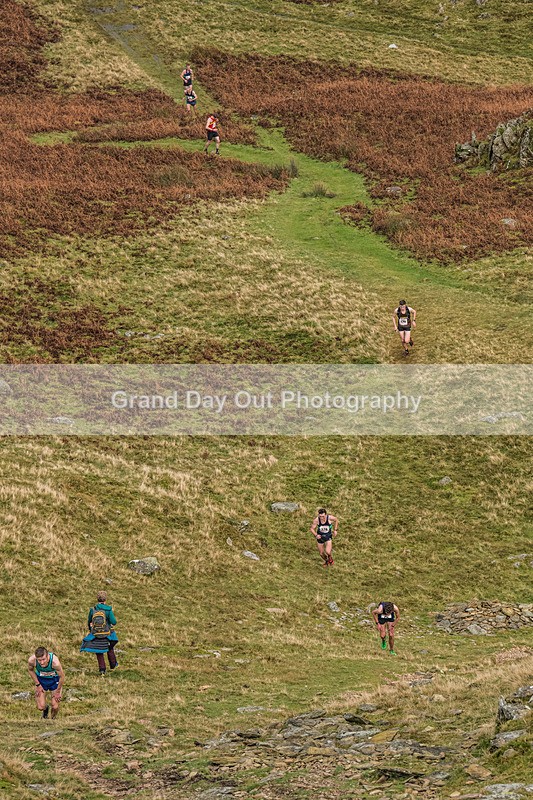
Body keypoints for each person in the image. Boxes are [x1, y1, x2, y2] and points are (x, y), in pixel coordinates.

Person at [80, 591, 119, 676]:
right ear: (105, 599)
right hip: (107, 634)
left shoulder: (93, 610)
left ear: (97, 599)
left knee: (99, 651)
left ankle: (102, 669)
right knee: (110, 646)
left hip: (96, 634)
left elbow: (89, 621)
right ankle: (113, 664)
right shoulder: (108, 610)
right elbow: (114, 622)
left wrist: (91, 630)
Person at [28, 647, 65, 719]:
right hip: (41, 681)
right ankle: (45, 710)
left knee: (55, 706)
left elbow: (62, 677)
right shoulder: (32, 660)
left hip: (54, 681)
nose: (42, 662)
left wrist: (58, 691)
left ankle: (52, 719)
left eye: (43, 659)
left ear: (47, 656)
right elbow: (30, 670)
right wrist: (38, 685)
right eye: (39, 660)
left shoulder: (55, 662)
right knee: (40, 707)